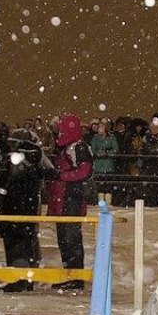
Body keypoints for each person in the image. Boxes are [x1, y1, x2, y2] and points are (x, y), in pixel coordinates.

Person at [0, 129, 54, 292]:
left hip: (13, 206)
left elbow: (4, 182)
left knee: (14, 244)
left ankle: (17, 279)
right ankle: (27, 278)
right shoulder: (37, 159)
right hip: (29, 206)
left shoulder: (14, 160)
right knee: (27, 241)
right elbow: (47, 174)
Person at [47, 113, 93, 291]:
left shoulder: (78, 147)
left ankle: (76, 277)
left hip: (71, 198)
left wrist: (60, 175)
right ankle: (70, 275)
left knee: (71, 238)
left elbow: (85, 171)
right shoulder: (66, 147)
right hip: (62, 199)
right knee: (64, 239)